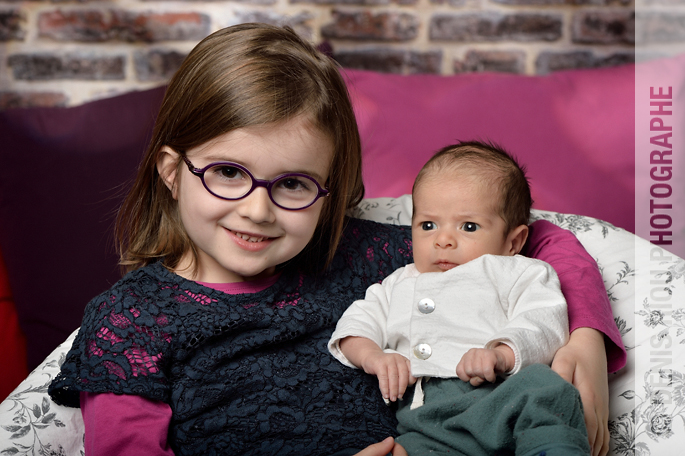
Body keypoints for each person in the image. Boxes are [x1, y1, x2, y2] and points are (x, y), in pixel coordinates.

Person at [47, 23, 624, 456]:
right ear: (172, 171)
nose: (258, 209)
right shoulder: (132, 318)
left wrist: (586, 339)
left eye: (293, 183)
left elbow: (541, 239)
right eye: (227, 173)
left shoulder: (355, 255)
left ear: (329, 190)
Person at [329, 142, 590, 455]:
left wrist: (503, 353)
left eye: (468, 226)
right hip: (427, 418)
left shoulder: (517, 271)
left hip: (502, 395)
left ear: (513, 241)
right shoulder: (398, 283)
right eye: (428, 225)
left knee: (548, 391)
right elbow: (355, 325)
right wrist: (374, 356)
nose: (443, 240)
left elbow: (544, 319)